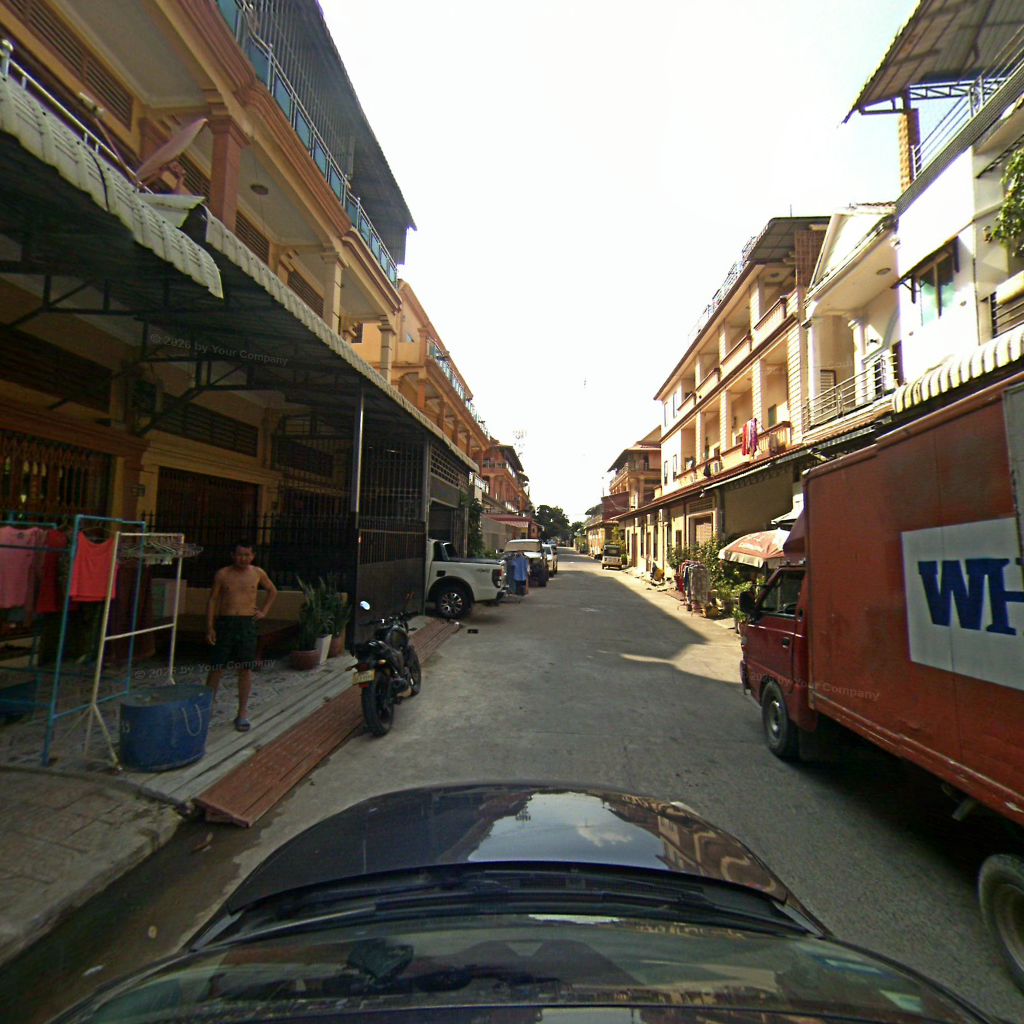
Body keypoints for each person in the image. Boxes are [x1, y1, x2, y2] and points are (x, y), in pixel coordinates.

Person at [205, 542, 277, 732]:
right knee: (216, 667)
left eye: (247, 555)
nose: (243, 558)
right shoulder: (223, 574)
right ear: (232, 555)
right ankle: (206, 709)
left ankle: (242, 712)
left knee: (245, 668)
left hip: (247, 624)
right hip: (226, 623)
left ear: (253, 556)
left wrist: (264, 611)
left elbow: (272, 590)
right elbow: (213, 600)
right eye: (239, 555)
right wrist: (210, 626)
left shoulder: (257, 573)